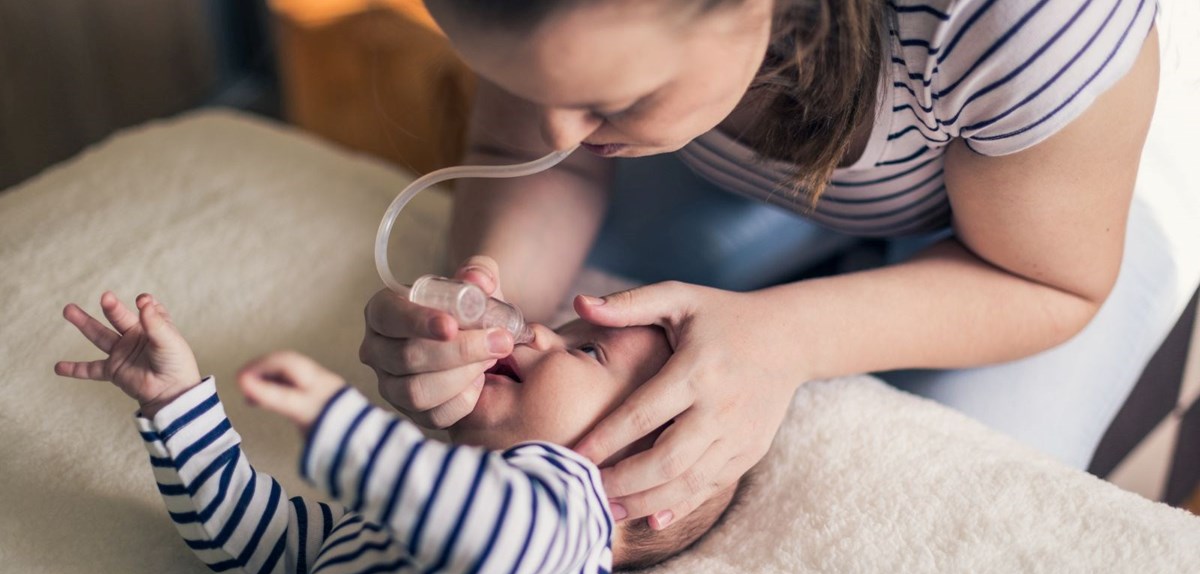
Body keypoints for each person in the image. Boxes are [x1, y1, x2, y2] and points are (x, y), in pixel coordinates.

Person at [359, 0, 1169, 531]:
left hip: (1011, 247)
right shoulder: (583, 63)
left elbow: (1047, 280)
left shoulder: (1023, 20)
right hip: (719, 178)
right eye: (525, 83)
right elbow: (536, 156)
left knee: (950, 512)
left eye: (612, 100)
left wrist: (786, 338)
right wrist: (483, 317)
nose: (562, 131)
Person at [54, 291, 740, 574]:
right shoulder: (393, 515)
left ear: (652, 470)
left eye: (587, 351)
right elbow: (260, 548)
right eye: (560, 329)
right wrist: (176, 408)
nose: (535, 334)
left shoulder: (572, 508)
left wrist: (346, 428)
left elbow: (481, 529)